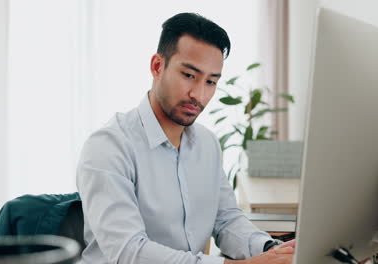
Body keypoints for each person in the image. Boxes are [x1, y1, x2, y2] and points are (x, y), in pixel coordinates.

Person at [76, 12, 295, 264]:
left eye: (211, 81)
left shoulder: (207, 144)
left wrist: (272, 249)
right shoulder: (108, 147)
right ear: (158, 66)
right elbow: (129, 252)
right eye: (189, 75)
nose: (199, 94)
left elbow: (226, 220)